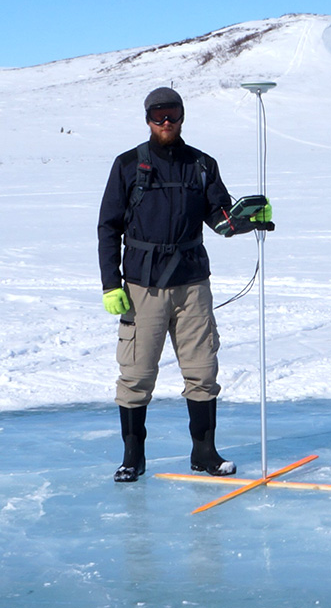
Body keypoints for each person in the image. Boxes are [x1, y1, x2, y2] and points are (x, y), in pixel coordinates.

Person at [97, 86, 263, 483]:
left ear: (183, 116)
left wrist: (250, 219)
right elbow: (108, 227)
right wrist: (110, 284)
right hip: (142, 286)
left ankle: (204, 453)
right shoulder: (127, 166)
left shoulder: (202, 164)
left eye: (172, 113)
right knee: (136, 374)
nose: (166, 121)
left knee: (203, 368)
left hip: (192, 285)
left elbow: (219, 218)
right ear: (147, 120)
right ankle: (132, 457)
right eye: (158, 115)